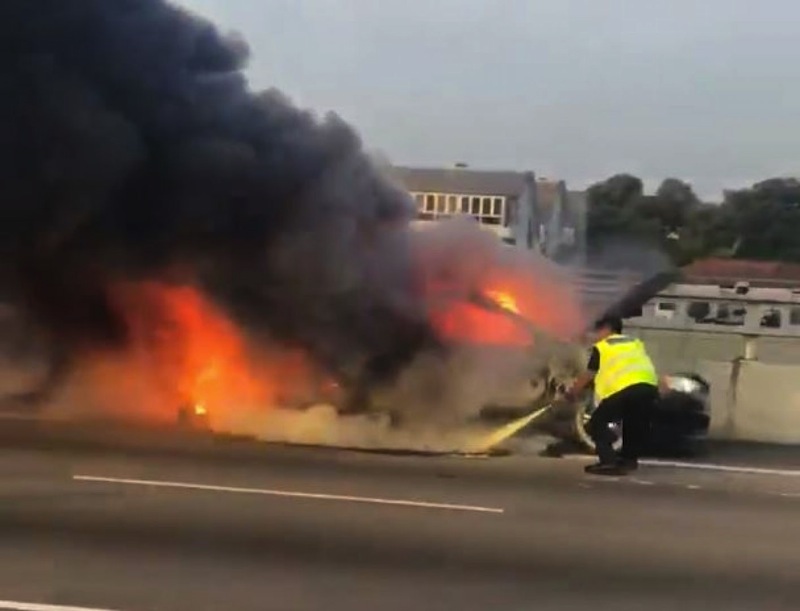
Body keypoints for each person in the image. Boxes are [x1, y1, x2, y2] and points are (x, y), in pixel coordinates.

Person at [564, 315, 660, 476]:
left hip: (625, 388)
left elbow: (589, 374)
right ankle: (628, 461)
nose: (595, 335)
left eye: (598, 330)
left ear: (607, 329)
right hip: (648, 387)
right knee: (633, 424)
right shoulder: (634, 342)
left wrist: (571, 393)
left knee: (597, 423)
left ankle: (608, 462)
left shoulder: (603, 347)